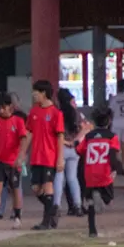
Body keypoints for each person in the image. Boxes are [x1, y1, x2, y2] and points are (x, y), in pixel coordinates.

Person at [75, 107, 124, 238]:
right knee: (109, 200)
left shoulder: (89, 137)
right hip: (104, 172)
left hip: (90, 173)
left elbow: (78, 151)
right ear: (109, 121)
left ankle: (92, 230)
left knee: (90, 202)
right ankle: (103, 199)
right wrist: (116, 169)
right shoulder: (112, 137)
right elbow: (113, 155)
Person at [0, 94, 28, 230]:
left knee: (15, 189)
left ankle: (17, 217)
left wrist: (20, 157)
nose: (1, 110)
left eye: (3, 107)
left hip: (13, 162)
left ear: (10, 107)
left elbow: (23, 140)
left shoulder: (18, 121)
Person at [25, 80, 64, 231]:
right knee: (35, 188)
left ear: (44, 93)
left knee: (48, 186)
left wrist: (60, 158)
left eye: (36, 92)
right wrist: (22, 153)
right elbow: (29, 133)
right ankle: (53, 209)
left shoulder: (56, 113)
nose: (34, 95)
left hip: (49, 156)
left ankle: (45, 222)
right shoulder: (34, 112)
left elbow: (60, 136)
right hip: (36, 156)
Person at [52, 88, 83, 217]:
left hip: (62, 149)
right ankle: (78, 205)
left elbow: (56, 134)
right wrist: (74, 141)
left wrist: (65, 142)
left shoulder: (57, 113)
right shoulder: (76, 113)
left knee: (59, 178)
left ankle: (56, 206)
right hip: (74, 150)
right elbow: (83, 129)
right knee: (73, 178)